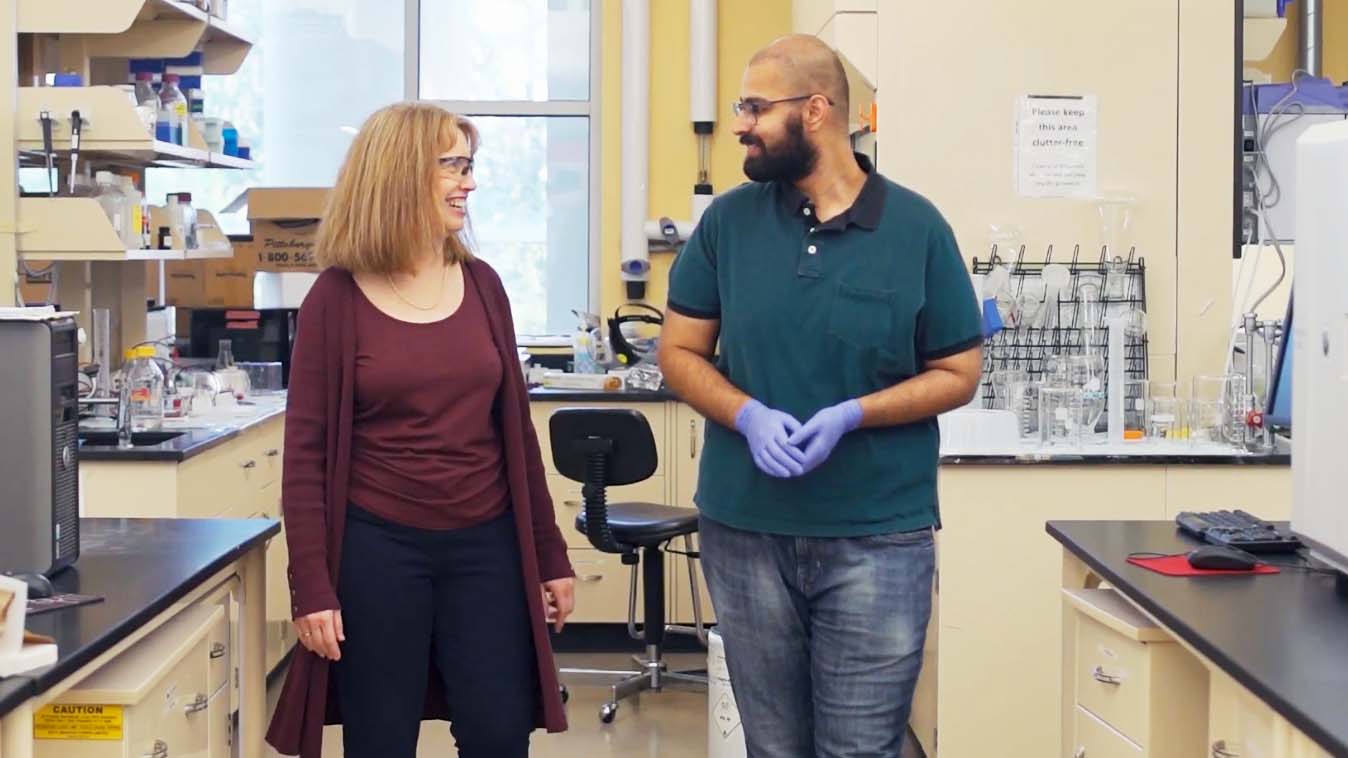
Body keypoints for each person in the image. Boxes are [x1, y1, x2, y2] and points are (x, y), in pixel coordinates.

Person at [659, 35, 984, 758]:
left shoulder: (916, 228)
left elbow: (958, 371)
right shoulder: (729, 225)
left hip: (878, 536)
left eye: (754, 107)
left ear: (816, 111)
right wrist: (745, 412)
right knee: (774, 750)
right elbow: (678, 352)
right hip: (745, 532)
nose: (740, 123)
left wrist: (854, 414)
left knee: (860, 750)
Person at [265, 102, 576, 758]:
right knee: (381, 739)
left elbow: (516, 434)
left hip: (486, 545)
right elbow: (305, 458)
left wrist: (549, 555)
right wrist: (312, 585)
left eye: (470, 165)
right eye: (453, 166)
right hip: (378, 549)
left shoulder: (484, 286)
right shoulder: (336, 299)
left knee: (499, 733)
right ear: (402, 175)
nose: (469, 182)